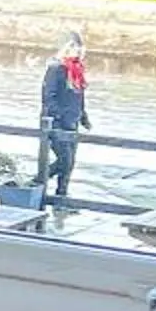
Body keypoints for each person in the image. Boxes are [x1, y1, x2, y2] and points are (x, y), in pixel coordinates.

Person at [40, 30, 91, 207]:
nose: (79, 51)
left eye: (80, 47)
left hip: (72, 122)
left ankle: (61, 197)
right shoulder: (56, 69)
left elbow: (79, 96)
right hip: (57, 122)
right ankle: (36, 182)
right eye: (74, 47)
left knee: (70, 164)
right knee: (64, 160)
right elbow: (49, 97)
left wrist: (84, 117)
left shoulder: (77, 70)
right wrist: (59, 116)